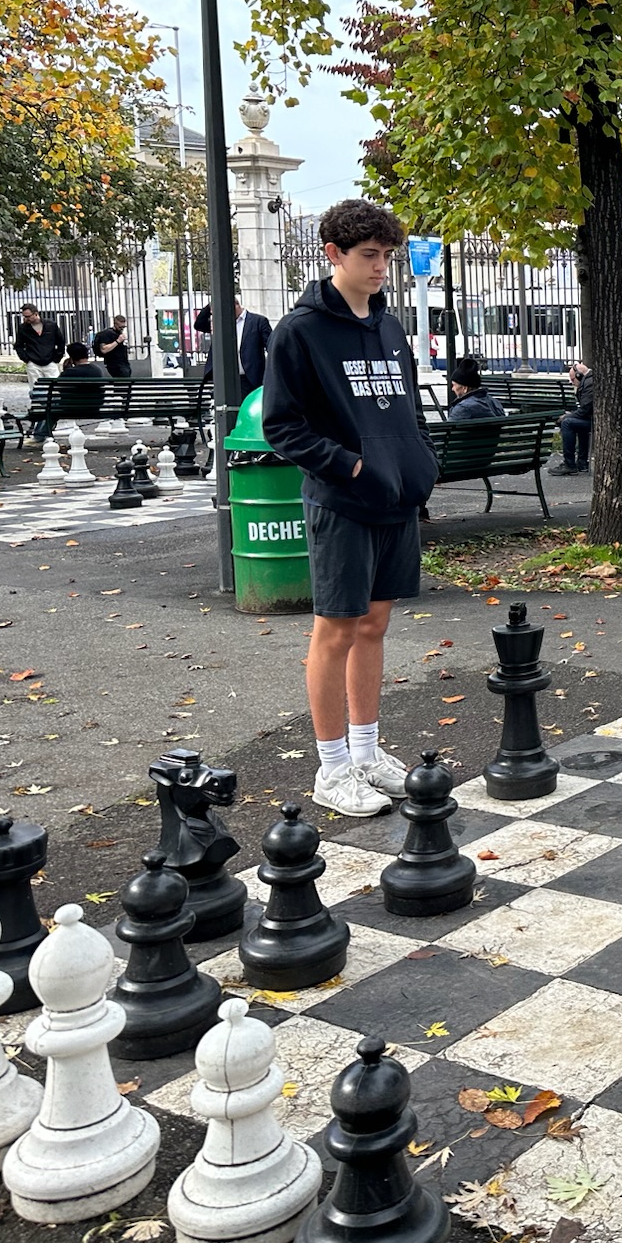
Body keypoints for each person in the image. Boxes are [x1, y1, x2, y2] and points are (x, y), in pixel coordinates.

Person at [263, 199, 439, 819]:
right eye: (370, 256)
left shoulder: (391, 327)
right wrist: (352, 466)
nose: (381, 268)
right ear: (333, 253)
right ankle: (332, 766)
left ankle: (365, 752)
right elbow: (282, 427)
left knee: (374, 626)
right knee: (335, 630)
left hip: (396, 500)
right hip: (342, 501)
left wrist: (416, 463)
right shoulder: (300, 331)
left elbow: (405, 408)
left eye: (388, 256)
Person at [195, 300, 274, 392]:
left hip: (250, 379)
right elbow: (199, 324)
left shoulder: (258, 321)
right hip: (226, 380)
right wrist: (211, 305)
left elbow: (271, 345)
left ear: (236, 305)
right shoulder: (221, 323)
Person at [553, 359, 594, 475]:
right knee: (574, 422)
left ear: (579, 375)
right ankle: (582, 462)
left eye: (572, 379)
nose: (571, 382)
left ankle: (569, 464)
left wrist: (566, 417)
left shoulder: (590, 384)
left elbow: (584, 410)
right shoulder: (589, 382)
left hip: (596, 421)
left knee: (568, 423)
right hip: (594, 419)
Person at [13, 305, 66, 382]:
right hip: (33, 363)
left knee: (54, 388)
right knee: (36, 389)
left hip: (50, 361)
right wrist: (26, 359)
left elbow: (61, 342)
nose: (26, 319)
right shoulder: (23, 328)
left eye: (28, 316)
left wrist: (57, 358)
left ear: (36, 314)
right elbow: (18, 345)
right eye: (24, 316)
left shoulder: (51, 325)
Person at [445, 356, 506, 422]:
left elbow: (449, 430)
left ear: (465, 388)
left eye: (454, 385)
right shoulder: (495, 403)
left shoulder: (462, 409)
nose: (452, 389)